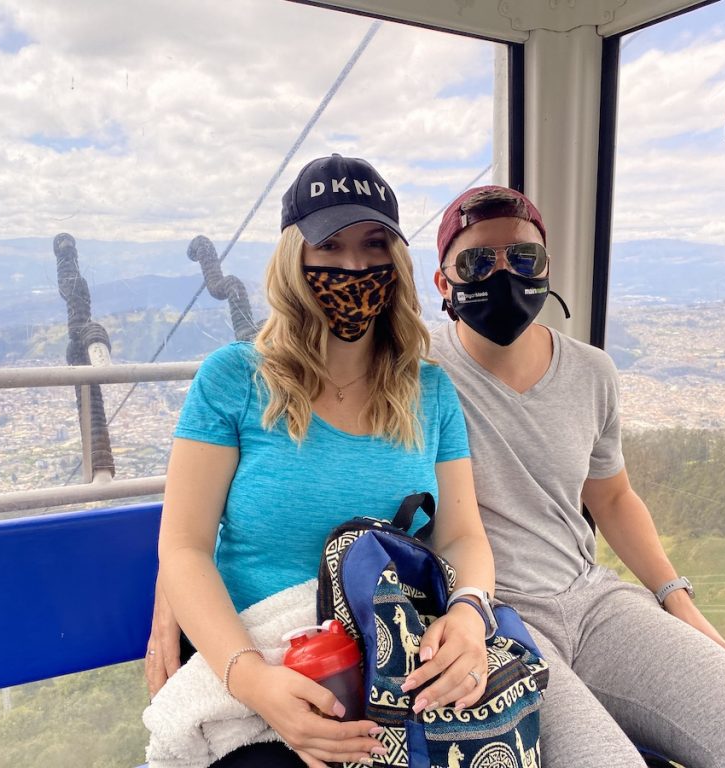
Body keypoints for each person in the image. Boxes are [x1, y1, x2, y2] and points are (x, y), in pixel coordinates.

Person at [428, 185, 725, 767]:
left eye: (524, 257)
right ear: (445, 283)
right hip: (492, 615)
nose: (504, 272)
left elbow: (611, 498)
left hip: (591, 600)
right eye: (478, 261)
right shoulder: (418, 376)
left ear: (546, 269)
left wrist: (676, 599)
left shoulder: (591, 372)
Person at [151, 154, 496, 768]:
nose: (355, 267)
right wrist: (255, 682)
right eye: (330, 246)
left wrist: (470, 611)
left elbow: (463, 534)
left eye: (374, 244)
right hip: (266, 667)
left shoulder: (430, 391)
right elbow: (184, 547)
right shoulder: (232, 381)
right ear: (293, 256)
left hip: (394, 667)